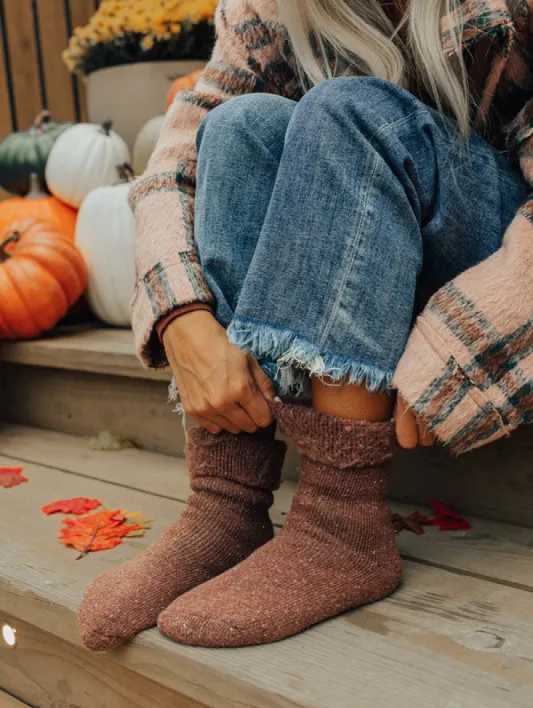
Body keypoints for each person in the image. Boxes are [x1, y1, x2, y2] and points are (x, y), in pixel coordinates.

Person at [78, 0, 533, 650]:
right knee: (238, 126)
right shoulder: (263, 7)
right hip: (356, 260)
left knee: (346, 109)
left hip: (496, 267)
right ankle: (227, 501)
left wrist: (465, 343)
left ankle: (342, 521)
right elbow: (175, 161)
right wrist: (179, 312)